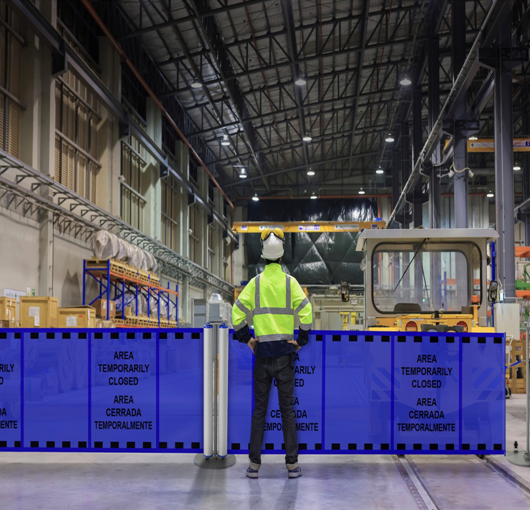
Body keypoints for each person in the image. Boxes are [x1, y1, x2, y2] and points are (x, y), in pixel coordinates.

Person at [232, 227, 313, 479]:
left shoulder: (255, 284)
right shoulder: (291, 283)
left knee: (259, 411)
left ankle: (254, 466)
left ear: (264, 255)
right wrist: (300, 340)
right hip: (285, 356)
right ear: (281, 256)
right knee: (287, 411)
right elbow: (307, 313)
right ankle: (292, 466)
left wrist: (248, 339)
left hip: (262, 357)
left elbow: (236, 313)